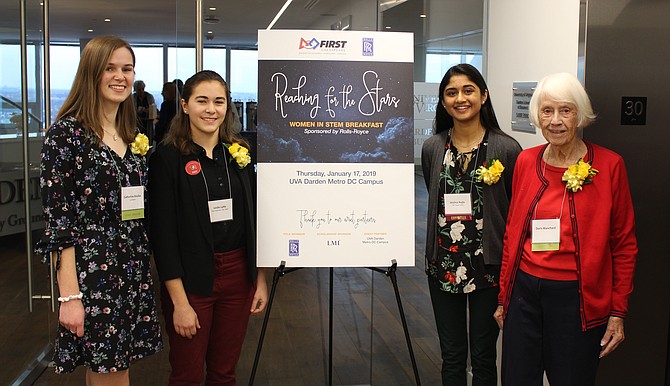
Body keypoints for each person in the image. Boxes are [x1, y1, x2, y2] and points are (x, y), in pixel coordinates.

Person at [494, 72, 638, 386]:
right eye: (547, 111)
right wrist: (504, 297)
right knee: (517, 379)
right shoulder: (525, 161)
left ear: (580, 115)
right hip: (524, 295)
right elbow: (512, 235)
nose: (555, 120)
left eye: (566, 111)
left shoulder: (610, 166)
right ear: (537, 116)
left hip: (578, 300)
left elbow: (624, 245)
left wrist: (618, 311)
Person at [34, 35, 162, 384]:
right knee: (111, 372)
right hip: (94, 277)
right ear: (92, 72)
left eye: (127, 69)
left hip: (132, 270)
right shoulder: (66, 136)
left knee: (112, 369)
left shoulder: (129, 132)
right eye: (110, 68)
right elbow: (60, 225)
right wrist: (70, 296)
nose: (120, 76)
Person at [148, 70, 268, 385]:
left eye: (219, 101)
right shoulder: (167, 158)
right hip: (190, 279)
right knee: (187, 375)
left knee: (224, 373)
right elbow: (162, 236)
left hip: (238, 276)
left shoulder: (238, 154)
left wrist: (260, 279)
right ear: (185, 105)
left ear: (228, 107)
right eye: (202, 101)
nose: (210, 109)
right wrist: (180, 302)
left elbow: (255, 221)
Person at [422, 63, 522, 386]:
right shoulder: (434, 147)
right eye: (451, 93)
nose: (460, 99)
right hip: (443, 263)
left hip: (488, 266)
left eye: (468, 90)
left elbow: (512, 206)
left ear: (483, 95)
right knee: (451, 355)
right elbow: (432, 190)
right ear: (443, 101)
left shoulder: (506, 148)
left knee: (483, 355)